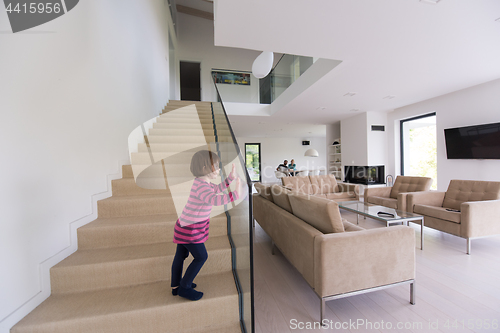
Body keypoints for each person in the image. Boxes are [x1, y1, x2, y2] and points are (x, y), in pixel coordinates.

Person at [171, 150, 241, 301]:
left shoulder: (202, 183)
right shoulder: (202, 187)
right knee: (201, 256)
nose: (218, 169)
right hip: (190, 230)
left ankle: (176, 285)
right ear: (204, 168)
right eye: (216, 166)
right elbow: (214, 200)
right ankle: (184, 287)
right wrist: (235, 194)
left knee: (180, 256)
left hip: (185, 226)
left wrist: (230, 179)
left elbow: (216, 189)